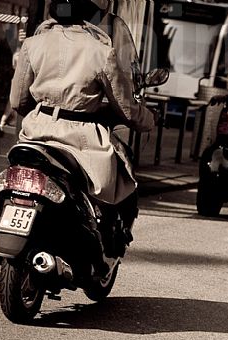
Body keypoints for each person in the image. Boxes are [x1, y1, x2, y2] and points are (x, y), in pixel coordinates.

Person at [8, 0, 154, 241]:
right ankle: (105, 242)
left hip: (33, 133)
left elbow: (18, 101)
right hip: (82, 140)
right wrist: (148, 119)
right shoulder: (101, 51)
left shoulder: (32, 44)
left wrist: (44, 114)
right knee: (119, 184)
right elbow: (126, 108)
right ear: (90, 15)